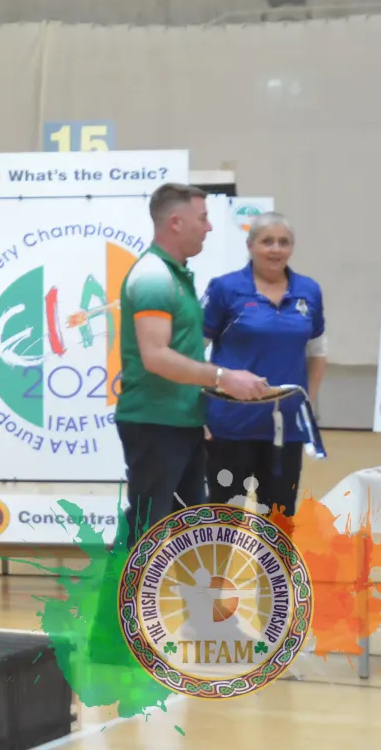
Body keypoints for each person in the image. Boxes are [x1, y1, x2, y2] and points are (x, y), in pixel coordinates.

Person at [116, 183, 266, 551]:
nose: (209, 227)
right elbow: (156, 356)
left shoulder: (176, 274)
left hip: (180, 422)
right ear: (176, 222)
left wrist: (200, 408)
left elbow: (181, 354)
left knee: (187, 534)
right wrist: (223, 377)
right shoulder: (153, 275)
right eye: (203, 218)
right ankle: (120, 593)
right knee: (146, 532)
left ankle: (174, 594)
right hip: (154, 422)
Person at [201, 212, 326, 518]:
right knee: (223, 521)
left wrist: (305, 403)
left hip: (285, 431)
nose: (276, 249)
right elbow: (193, 350)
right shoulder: (225, 289)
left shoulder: (309, 291)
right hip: (229, 427)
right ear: (250, 245)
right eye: (267, 241)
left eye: (284, 242)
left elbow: (318, 351)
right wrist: (197, 410)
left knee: (280, 521)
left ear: (292, 247)